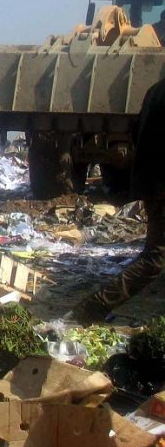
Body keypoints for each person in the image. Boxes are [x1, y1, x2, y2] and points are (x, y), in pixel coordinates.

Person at [73, 77, 165, 323]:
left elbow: (136, 133)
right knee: (156, 258)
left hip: (151, 184)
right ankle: (92, 308)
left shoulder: (154, 90)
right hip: (161, 185)